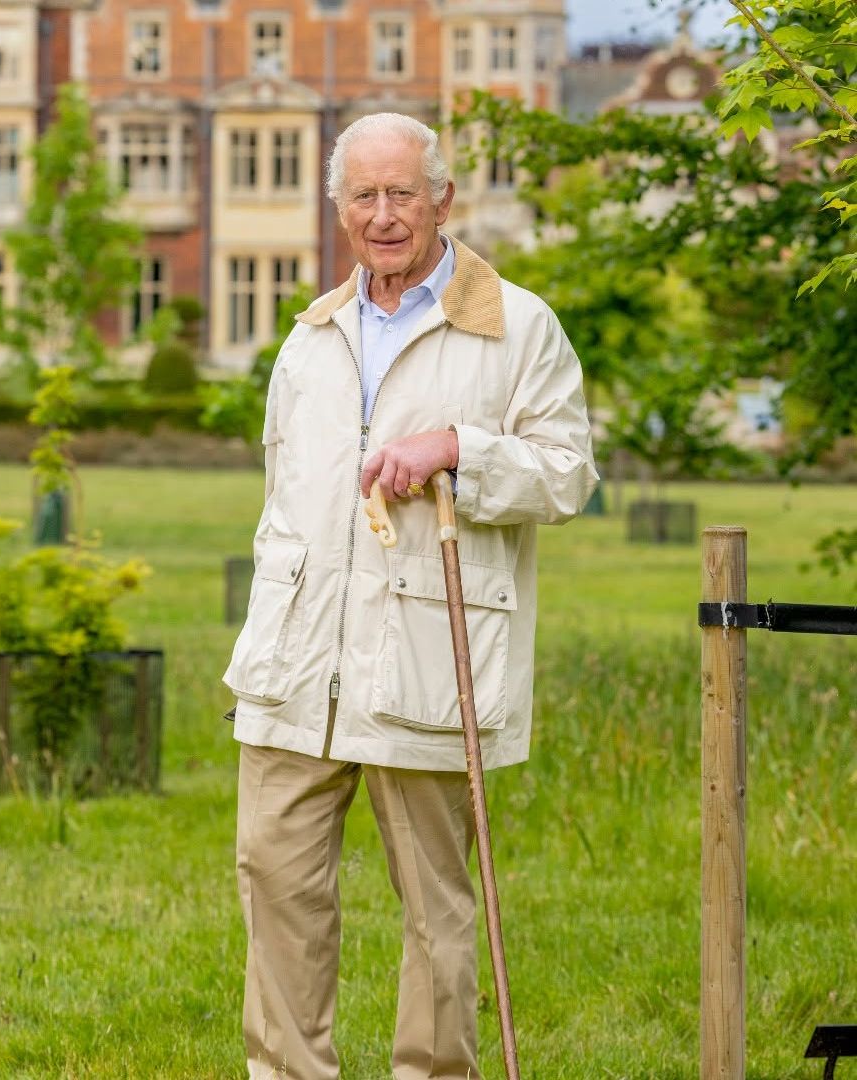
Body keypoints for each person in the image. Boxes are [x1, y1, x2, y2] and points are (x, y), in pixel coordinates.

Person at [224, 112, 598, 1080]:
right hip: (298, 664)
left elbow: (566, 476)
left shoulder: (518, 327)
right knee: (273, 877)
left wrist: (461, 451)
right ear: (338, 207)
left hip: (432, 666)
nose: (383, 216)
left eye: (402, 194)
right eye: (364, 196)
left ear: (443, 199)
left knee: (434, 904)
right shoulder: (312, 337)